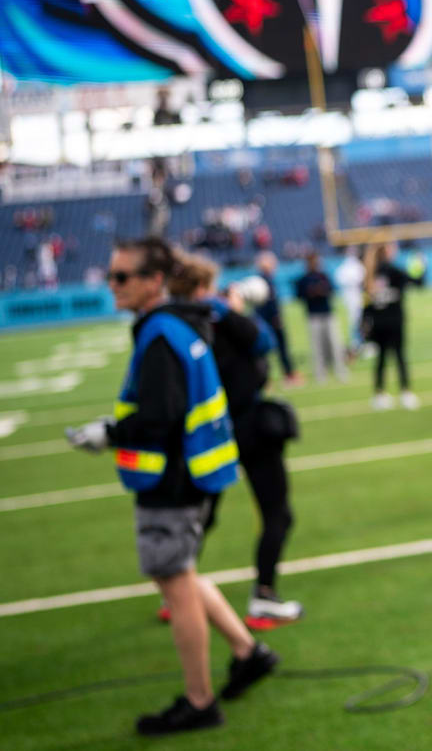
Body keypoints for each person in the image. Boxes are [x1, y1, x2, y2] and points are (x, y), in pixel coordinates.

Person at [65, 237, 278, 735]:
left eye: (122, 277)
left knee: (176, 584)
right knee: (180, 574)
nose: (113, 285)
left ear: (154, 281)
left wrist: (109, 433)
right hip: (192, 473)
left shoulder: (162, 332)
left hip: (173, 479)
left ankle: (200, 702)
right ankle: (248, 651)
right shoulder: (180, 323)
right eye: (112, 275)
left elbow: (159, 417)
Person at [169, 252, 305, 629]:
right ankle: (264, 597)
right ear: (202, 287)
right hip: (249, 426)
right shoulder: (221, 316)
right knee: (277, 513)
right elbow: (264, 342)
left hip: (207, 432)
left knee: (203, 517)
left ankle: (176, 592)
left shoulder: (173, 323)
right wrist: (232, 309)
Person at [364, 241, 421, 410]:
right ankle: (405, 392)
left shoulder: (371, 272)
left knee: (381, 359)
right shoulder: (393, 270)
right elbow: (417, 282)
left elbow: (366, 304)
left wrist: (365, 323)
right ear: (387, 252)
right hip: (395, 321)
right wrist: (418, 265)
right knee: (400, 357)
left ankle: (379, 394)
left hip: (378, 323)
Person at [294, 251, 348, 383]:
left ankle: (340, 370)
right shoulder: (304, 279)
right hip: (313, 316)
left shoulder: (323, 276)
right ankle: (320, 374)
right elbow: (299, 296)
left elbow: (331, 290)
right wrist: (312, 292)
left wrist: (321, 290)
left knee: (335, 344)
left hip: (327, 313)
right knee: (317, 346)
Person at [254, 251, 300, 386]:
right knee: (277, 348)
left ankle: (277, 376)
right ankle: (287, 375)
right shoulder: (264, 281)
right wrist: (275, 316)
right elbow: (268, 303)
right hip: (270, 320)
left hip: (265, 320)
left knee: (271, 349)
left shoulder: (265, 280)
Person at [334, 247, 367, 354]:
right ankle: (355, 343)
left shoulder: (352, 266)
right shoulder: (350, 266)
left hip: (354, 295)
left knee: (358, 319)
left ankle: (359, 342)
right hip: (352, 295)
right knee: (355, 319)